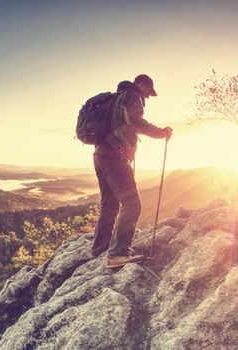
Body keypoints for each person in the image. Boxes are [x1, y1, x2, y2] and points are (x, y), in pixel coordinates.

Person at [92, 74, 173, 269]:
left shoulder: (115, 99)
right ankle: (118, 253)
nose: (147, 97)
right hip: (115, 157)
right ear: (143, 85)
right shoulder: (132, 97)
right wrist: (162, 132)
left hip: (100, 154)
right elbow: (137, 121)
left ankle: (99, 249)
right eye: (148, 92)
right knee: (132, 204)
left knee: (109, 204)